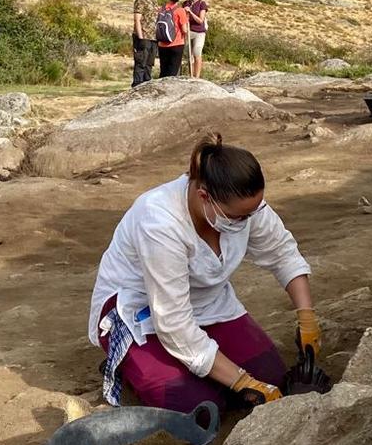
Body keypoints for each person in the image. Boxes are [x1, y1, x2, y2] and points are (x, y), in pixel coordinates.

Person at [88, 133, 322, 412]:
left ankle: (186, 366)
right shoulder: (160, 223)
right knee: (200, 406)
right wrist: (240, 380)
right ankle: (129, 363)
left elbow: (282, 253)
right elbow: (173, 322)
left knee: (271, 378)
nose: (248, 221)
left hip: (206, 304)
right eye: (239, 217)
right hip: (141, 311)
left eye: (252, 212)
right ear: (203, 197)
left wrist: (306, 317)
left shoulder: (242, 205)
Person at [132, 0, 161, 86]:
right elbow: (137, 19)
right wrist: (140, 37)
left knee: (149, 64)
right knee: (141, 63)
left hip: (153, 37)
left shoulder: (154, 1)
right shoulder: (141, 0)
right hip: (143, 36)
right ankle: (137, 85)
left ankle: (147, 85)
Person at [157, 0, 190, 79]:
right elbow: (184, 29)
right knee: (172, 72)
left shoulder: (161, 9)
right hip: (177, 44)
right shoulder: (180, 10)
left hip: (162, 44)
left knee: (163, 71)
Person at [183, 0, 209, 79]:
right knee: (188, 55)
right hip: (188, 31)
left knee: (197, 52)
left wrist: (191, 13)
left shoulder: (202, 4)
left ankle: (197, 77)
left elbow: (200, 20)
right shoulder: (186, 3)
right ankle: (191, 75)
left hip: (199, 32)